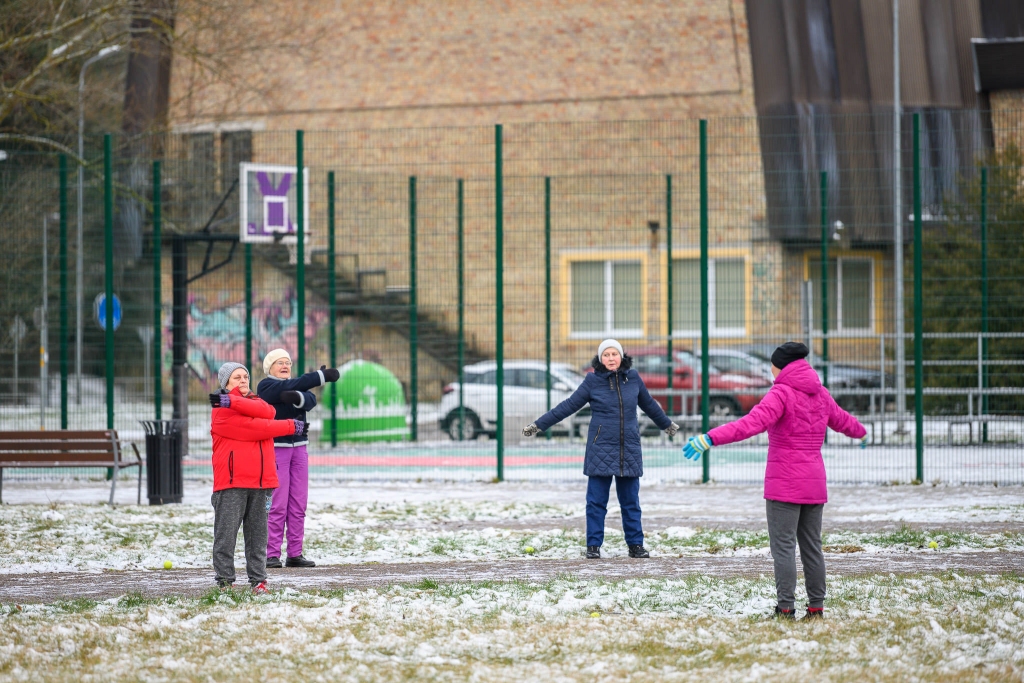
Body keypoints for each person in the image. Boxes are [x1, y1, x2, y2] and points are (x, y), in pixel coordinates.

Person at [681, 341, 867, 620]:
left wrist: (710, 437)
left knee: (783, 548)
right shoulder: (821, 393)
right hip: (814, 483)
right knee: (812, 547)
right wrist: (861, 433)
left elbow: (749, 425)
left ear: (780, 366)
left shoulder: (780, 393)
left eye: (772, 365)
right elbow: (842, 420)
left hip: (784, 484)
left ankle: (785, 608)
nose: (770, 369)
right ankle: (816, 608)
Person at [522, 339, 679, 559]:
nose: (611, 358)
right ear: (600, 358)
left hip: (629, 448)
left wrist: (667, 425)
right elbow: (568, 405)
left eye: (615, 354)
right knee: (596, 501)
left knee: (631, 501)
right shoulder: (592, 381)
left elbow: (649, 404)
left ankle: (636, 545)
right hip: (600, 448)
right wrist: (539, 424)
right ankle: (593, 546)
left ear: (622, 356)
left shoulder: (633, 379)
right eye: (606, 355)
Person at [209, 362, 306, 593]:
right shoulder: (221, 409)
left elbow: (269, 412)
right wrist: (291, 425)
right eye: (236, 378)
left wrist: (234, 400)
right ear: (226, 383)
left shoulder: (253, 402)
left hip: (261, 482)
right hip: (233, 482)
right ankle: (225, 582)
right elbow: (257, 429)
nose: (243, 381)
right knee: (226, 535)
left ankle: (259, 581)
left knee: (258, 538)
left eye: (245, 377)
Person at [257, 348, 340, 569]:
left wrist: (298, 396)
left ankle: (295, 553)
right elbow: (284, 390)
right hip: (277, 449)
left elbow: (310, 400)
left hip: (300, 449)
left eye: (288, 363)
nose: (285, 366)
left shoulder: (294, 385)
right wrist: (318, 377)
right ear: (269, 368)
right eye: (279, 363)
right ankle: (271, 554)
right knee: (277, 503)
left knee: (298, 503)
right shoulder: (265, 386)